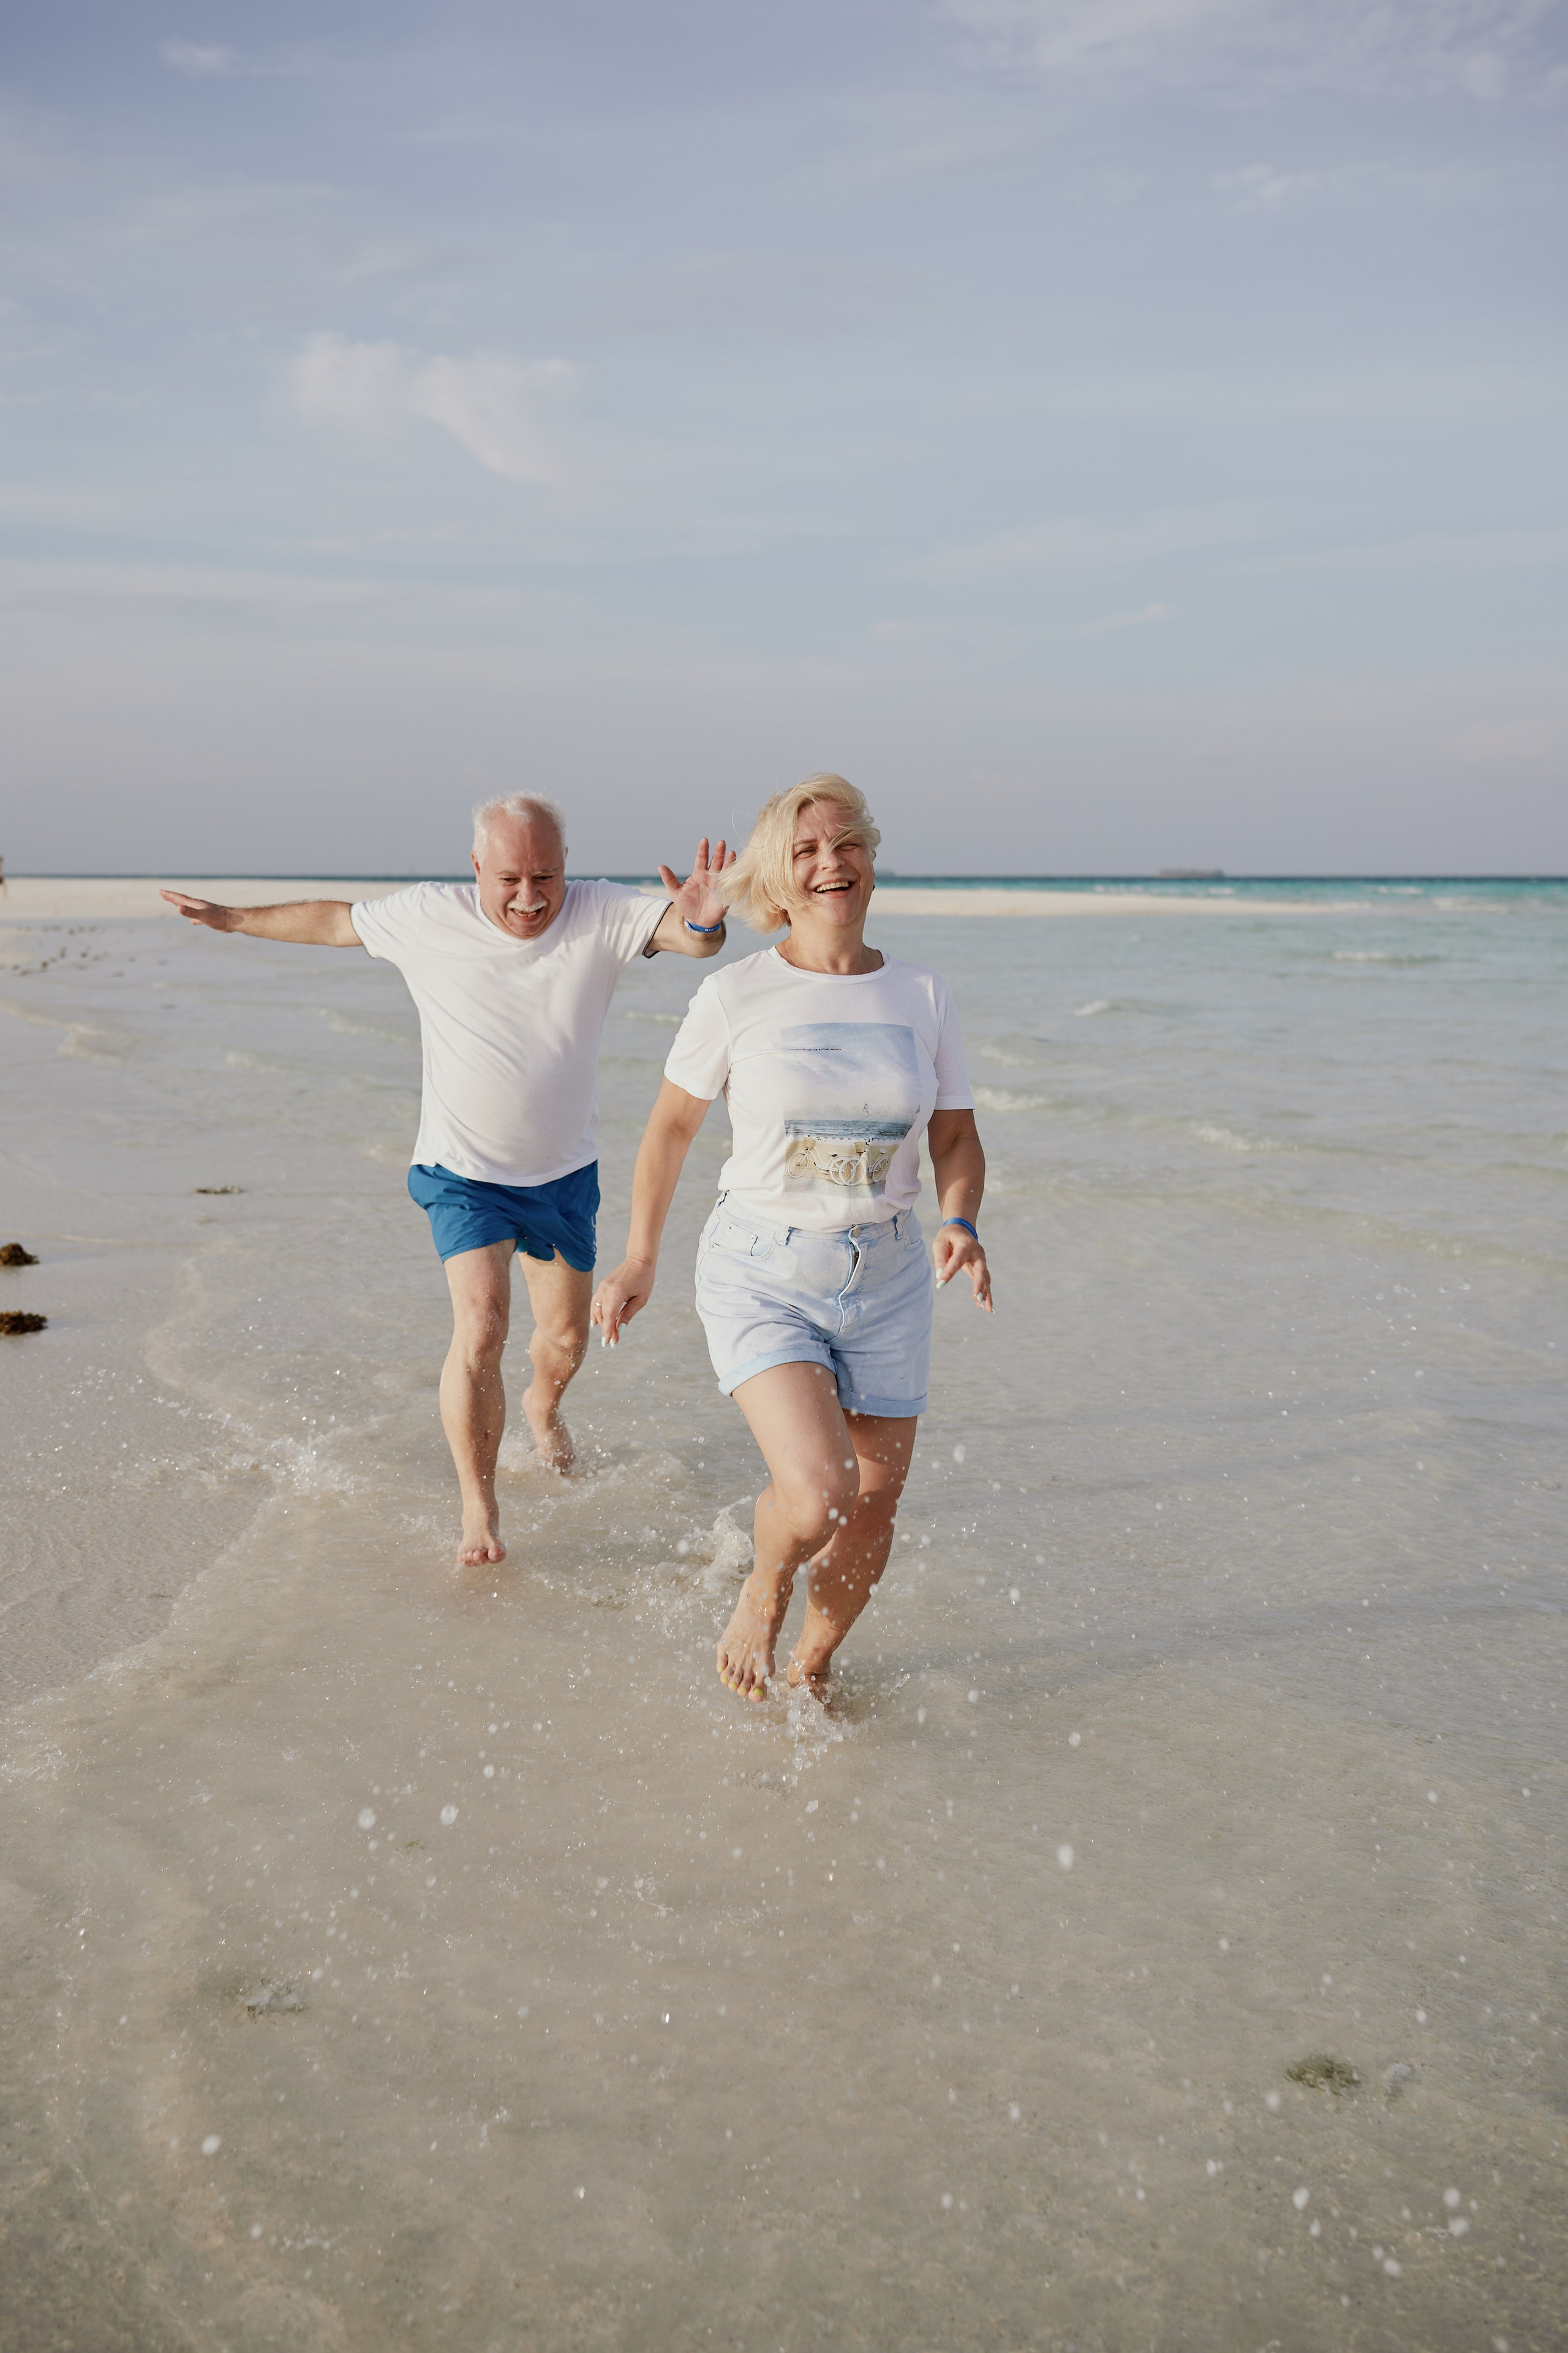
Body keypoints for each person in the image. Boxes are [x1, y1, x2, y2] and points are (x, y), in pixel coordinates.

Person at [162, 795, 733, 1567]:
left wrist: (703, 922)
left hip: (563, 1176)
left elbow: (690, 940)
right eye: (509, 879)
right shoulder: (430, 916)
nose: (529, 897)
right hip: (461, 1174)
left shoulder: (599, 912)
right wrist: (234, 919)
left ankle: (542, 1404)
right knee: (483, 1323)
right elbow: (335, 921)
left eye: (545, 877)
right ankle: (479, 1507)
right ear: (476, 868)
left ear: (566, 867)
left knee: (565, 1340)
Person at [591, 774, 992, 1701]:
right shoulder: (736, 994)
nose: (830, 864)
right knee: (818, 1495)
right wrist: (640, 1257)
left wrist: (961, 1219)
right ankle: (765, 1583)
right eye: (806, 851)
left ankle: (813, 1673)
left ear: (871, 859)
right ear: (777, 879)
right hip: (762, 1270)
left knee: (873, 1509)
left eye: (846, 843)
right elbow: (670, 1129)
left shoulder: (923, 993)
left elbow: (955, 1136)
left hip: (888, 1276)